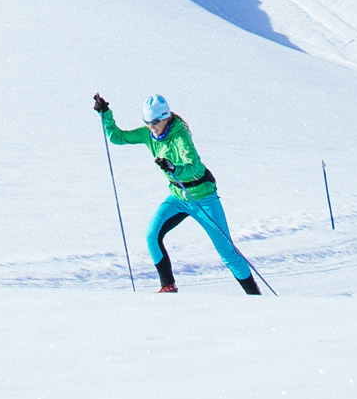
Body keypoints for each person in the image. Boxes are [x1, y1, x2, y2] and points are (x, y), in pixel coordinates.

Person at [94, 91, 261, 293]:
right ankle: (168, 287)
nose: (151, 126)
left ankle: (255, 297)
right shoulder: (148, 135)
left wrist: (175, 168)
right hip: (178, 197)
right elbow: (118, 138)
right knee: (152, 236)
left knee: (227, 253)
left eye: (155, 121)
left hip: (202, 198)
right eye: (147, 121)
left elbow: (194, 167)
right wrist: (106, 115)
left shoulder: (180, 136)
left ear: (165, 117)